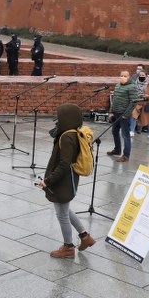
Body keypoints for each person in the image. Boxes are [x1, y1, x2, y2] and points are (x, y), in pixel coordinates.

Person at [39, 103, 95, 259]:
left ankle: (68, 248)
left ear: (67, 118)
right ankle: (85, 237)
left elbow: (64, 163)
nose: (57, 119)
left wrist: (48, 181)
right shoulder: (71, 133)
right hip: (66, 179)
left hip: (63, 180)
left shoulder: (67, 136)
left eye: (60, 116)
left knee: (62, 214)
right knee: (65, 210)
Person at [107, 70, 140, 163]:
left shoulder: (132, 87)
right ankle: (117, 149)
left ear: (129, 77)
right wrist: (111, 111)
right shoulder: (118, 85)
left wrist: (126, 114)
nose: (123, 77)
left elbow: (134, 102)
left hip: (124, 115)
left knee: (125, 135)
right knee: (114, 131)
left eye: (125, 76)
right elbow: (114, 100)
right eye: (121, 75)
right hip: (116, 113)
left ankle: (126, 155)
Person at [131, 69, 149, 139]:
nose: (141, 76)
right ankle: (131, 131)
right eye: (140, 75)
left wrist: (147, 96)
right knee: (134, 115)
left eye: (143, 75)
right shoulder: (136, 83)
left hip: (148, 104)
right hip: (139, 102)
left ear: (146, 76)